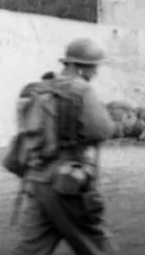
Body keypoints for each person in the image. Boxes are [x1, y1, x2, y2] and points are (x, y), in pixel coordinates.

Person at [9, 38, 118, 254]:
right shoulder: (81, 91)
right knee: (97, 245)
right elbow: (102, 130)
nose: (94, 73)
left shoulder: (39, 89)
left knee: (30, 249)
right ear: (79, 67)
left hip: (36, 181)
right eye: (92, 67)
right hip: (68, 183)